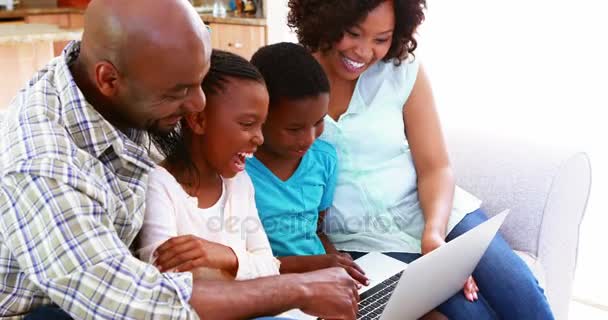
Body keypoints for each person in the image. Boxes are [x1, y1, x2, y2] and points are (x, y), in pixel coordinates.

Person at [0, 0, 359, 319]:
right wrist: (300, 289)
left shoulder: (119, 76)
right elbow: (132, 303)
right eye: (180, 91)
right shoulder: (44, 167)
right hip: (49, 309)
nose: (198, 106)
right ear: (109, 79)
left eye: (199, 82)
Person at [287, 0, 555, 319]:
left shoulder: (402, 70)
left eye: (381, 39)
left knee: (523, 295)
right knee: (473, 315)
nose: (363, 51)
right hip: (362, 235)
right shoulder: (290, 76)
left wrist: (434, 234)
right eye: (353, 33)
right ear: (324, 19)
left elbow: (436, 167)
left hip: (439, 215)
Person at [138, 49, 280, 281]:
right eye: (247, 124)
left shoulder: (240, 183)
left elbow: (271, 267)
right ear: (198, 120)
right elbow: (164, 282)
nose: (260, 138)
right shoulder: (159, 185)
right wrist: (246, 266)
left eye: (261, 125)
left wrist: (224, 256)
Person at [248, 42, 368, 285]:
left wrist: (336, 260)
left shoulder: (324, 159)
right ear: (259, 115)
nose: (309, 138)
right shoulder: (238, 169)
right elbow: (240, 261)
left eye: (318, 122)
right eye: (294, 129)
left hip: (322, 275)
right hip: (269, 284)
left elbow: (315, 229)